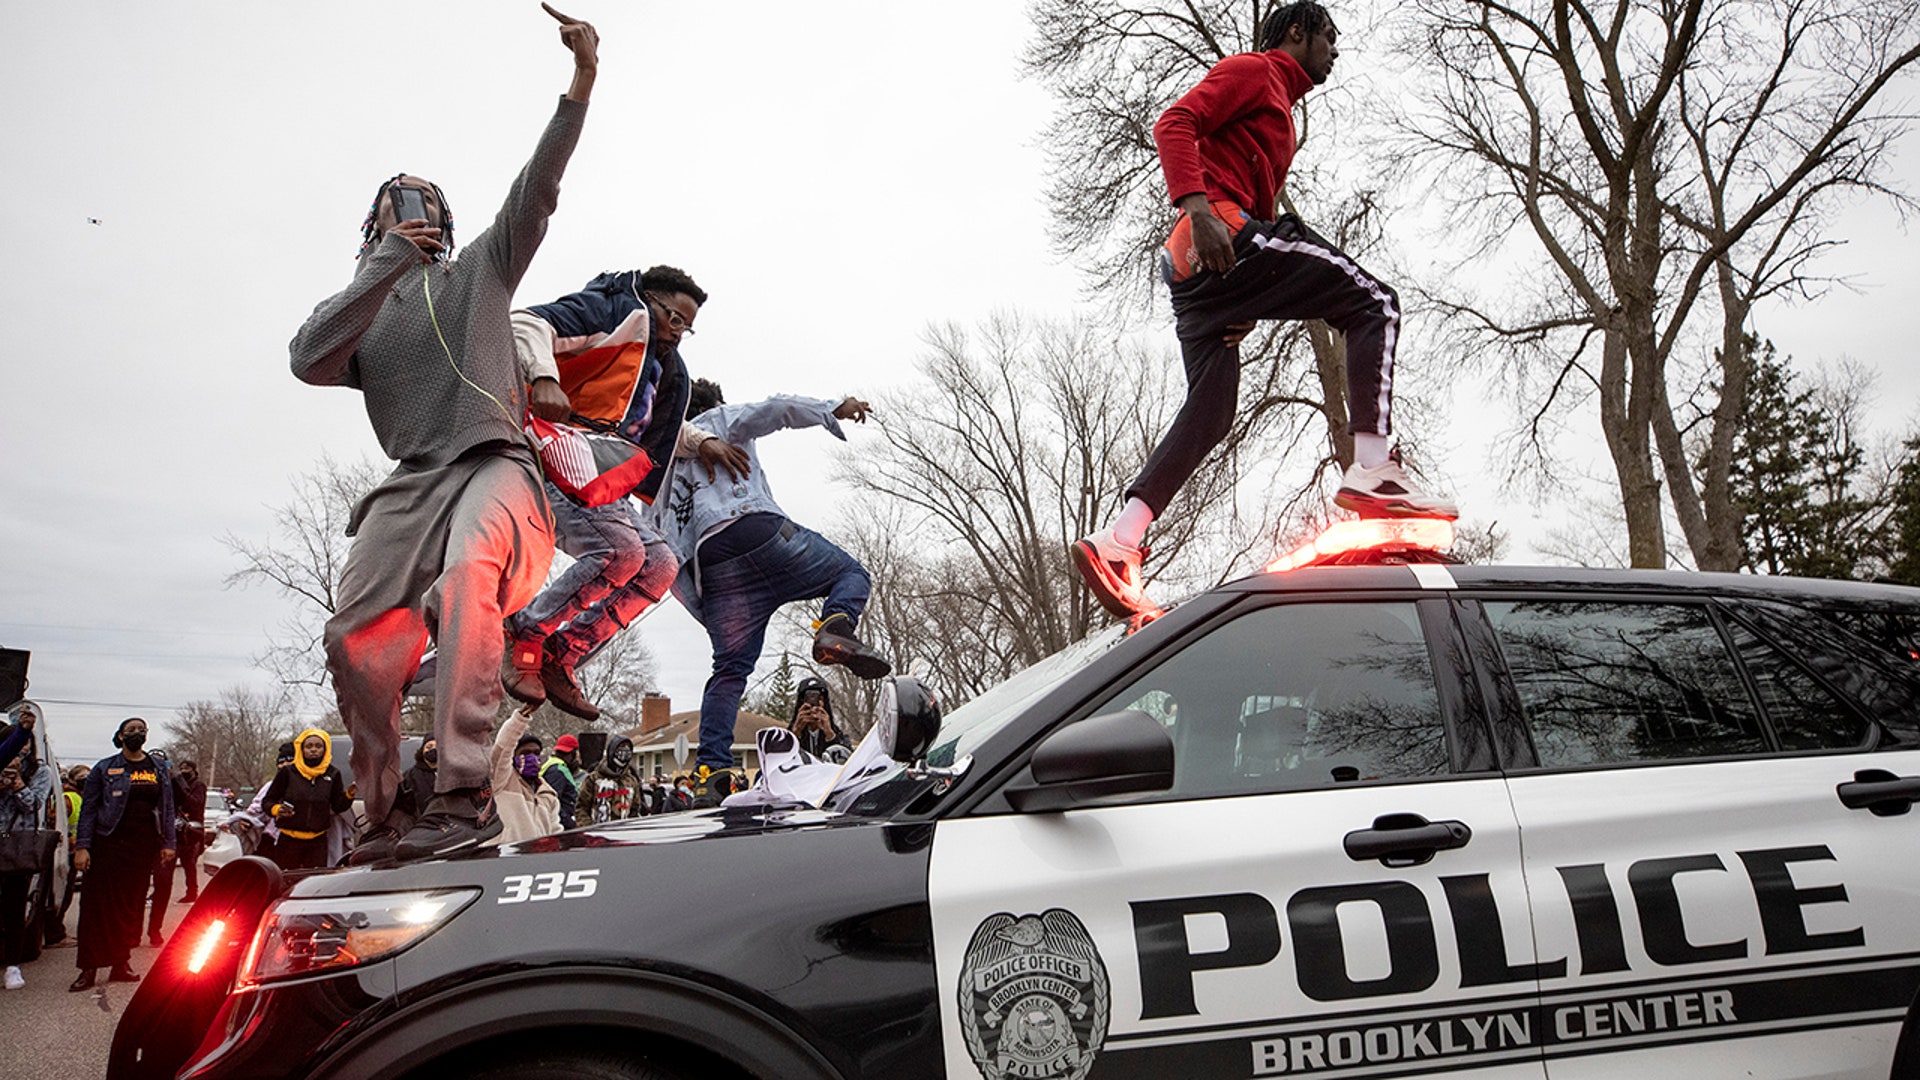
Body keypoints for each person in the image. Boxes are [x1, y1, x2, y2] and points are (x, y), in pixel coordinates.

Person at [289, 6, 601, 863]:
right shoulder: (362, 316)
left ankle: (463, 793)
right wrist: (386, 261)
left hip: (498, 470)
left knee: (467, 575)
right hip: (411, 481)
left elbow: (536, 189)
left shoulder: (482, 272)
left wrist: (580, 83)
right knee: (355, 635)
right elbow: (307, 358)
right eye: (398, 210)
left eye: (425, 209)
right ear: (374, 229)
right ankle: (387, 813)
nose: (414, 215)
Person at [1071, 2, 1458, 618]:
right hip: (1214, 230)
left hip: (1196, 272)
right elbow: (1174, 123)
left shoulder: (1282, 108)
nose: (1335, 51)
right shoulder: (1257, 71)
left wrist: (1249, 292)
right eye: (1330, 38)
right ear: (1297, 34)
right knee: (1375, 304)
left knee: (1212, 410)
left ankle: (1120, 541)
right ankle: (1375, 468)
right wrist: (1198, 208)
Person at [505, 266, 747, 720]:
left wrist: (702, 442)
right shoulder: (615, 310)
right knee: (622, 552)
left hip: (600, 468)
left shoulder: (662, 368)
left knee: (660, 566)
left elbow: (657, 429)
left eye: (687, 327)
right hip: (553, 450)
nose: (678, 333)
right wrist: (544, 378)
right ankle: (525, 632)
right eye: (674, 319)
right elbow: (525, 323)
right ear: (650, 300)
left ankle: (564, 650)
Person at [659, 379, 890, 803]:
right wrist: (834, 407)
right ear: (714, 405)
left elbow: (662, 539)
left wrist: (705, 603)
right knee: (850, 573)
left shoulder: (662, 464)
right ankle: (835, 625)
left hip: (716, 567)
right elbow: (778, 408)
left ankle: (712, 771)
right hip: (759, 531)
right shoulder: (721, 420)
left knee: (728, 672)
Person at [72, 718, 175, 992]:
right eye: (131, 730)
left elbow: (167, 808)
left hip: (142, 848)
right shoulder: (104, 768)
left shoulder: (157, 769)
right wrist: (82, 846)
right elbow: (89, 809)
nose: (137, 733)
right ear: (120, 736)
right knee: (96, 907)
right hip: (106, 844)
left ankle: (120, 963)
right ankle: (89, 968)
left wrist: (168, 843)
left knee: (130, 907)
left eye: (142, 730)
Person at [260, 730, 353, 871]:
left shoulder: (333, 774)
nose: (314, 750)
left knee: (313, 882)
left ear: (325, 749)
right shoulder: (288, 772)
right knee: (286, 880)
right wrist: (277, 809)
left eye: (318, 746)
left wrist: (349, 795)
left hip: (317, 842)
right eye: (309, 746)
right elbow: (268, 800)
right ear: (301, 749)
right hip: (289, 840)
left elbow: (337, 806)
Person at [1, 752, 53, 990]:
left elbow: (33, 806)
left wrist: (17, 784)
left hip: (17, 848)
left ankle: (13, 966)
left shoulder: (40, 772)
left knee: (14, 908)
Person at [489, 717, 561, 846]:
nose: (532, 758)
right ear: (513, 755)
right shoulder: (502, 781)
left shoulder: (548, 793)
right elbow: (502, 748)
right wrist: (521, 717)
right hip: (504, 858)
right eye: (525, 753)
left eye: (536, 753)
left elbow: (555, 833)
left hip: (536, 860)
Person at [574, 734, 643, 824]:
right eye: (621, 747)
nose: (625, 750)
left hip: (624, 833)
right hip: (598, 833)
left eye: (628, 748)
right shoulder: (593, 779)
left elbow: (635, 810)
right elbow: (581, 808)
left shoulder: (631, 781)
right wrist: (588, 829)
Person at [166, 760, 207, 908]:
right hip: (176, 830)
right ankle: (162, 892)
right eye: (181, 768)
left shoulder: (198, 786)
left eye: (187, 768)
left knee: (189, 864)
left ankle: (192, 892)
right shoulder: (175, 785)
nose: (184, 771)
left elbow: (195, 804)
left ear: (194, 770)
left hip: (192, 832)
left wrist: (182, 789)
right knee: (168, 864)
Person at [788, 677, 851, 762]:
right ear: (801, 702)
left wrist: (829, 734)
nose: (813, 706)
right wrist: (796, 733)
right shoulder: (785, 736)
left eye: (818, 698)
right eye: (808, 698)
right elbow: (780, 758)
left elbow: (847, 761)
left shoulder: (838, 736)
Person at [389, 737, 440, 839]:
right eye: (429, 747)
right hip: (419, 830)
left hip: (448, 830)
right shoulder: (410, 776)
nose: (433, 750)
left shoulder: (452, 775)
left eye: (437, 747)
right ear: (422, 750)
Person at [542, 734, 581, 829]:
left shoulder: (552, 765)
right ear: (574, 753)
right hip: (562, 826)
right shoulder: (557, 771)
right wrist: (570, 824)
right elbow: (553, 802)